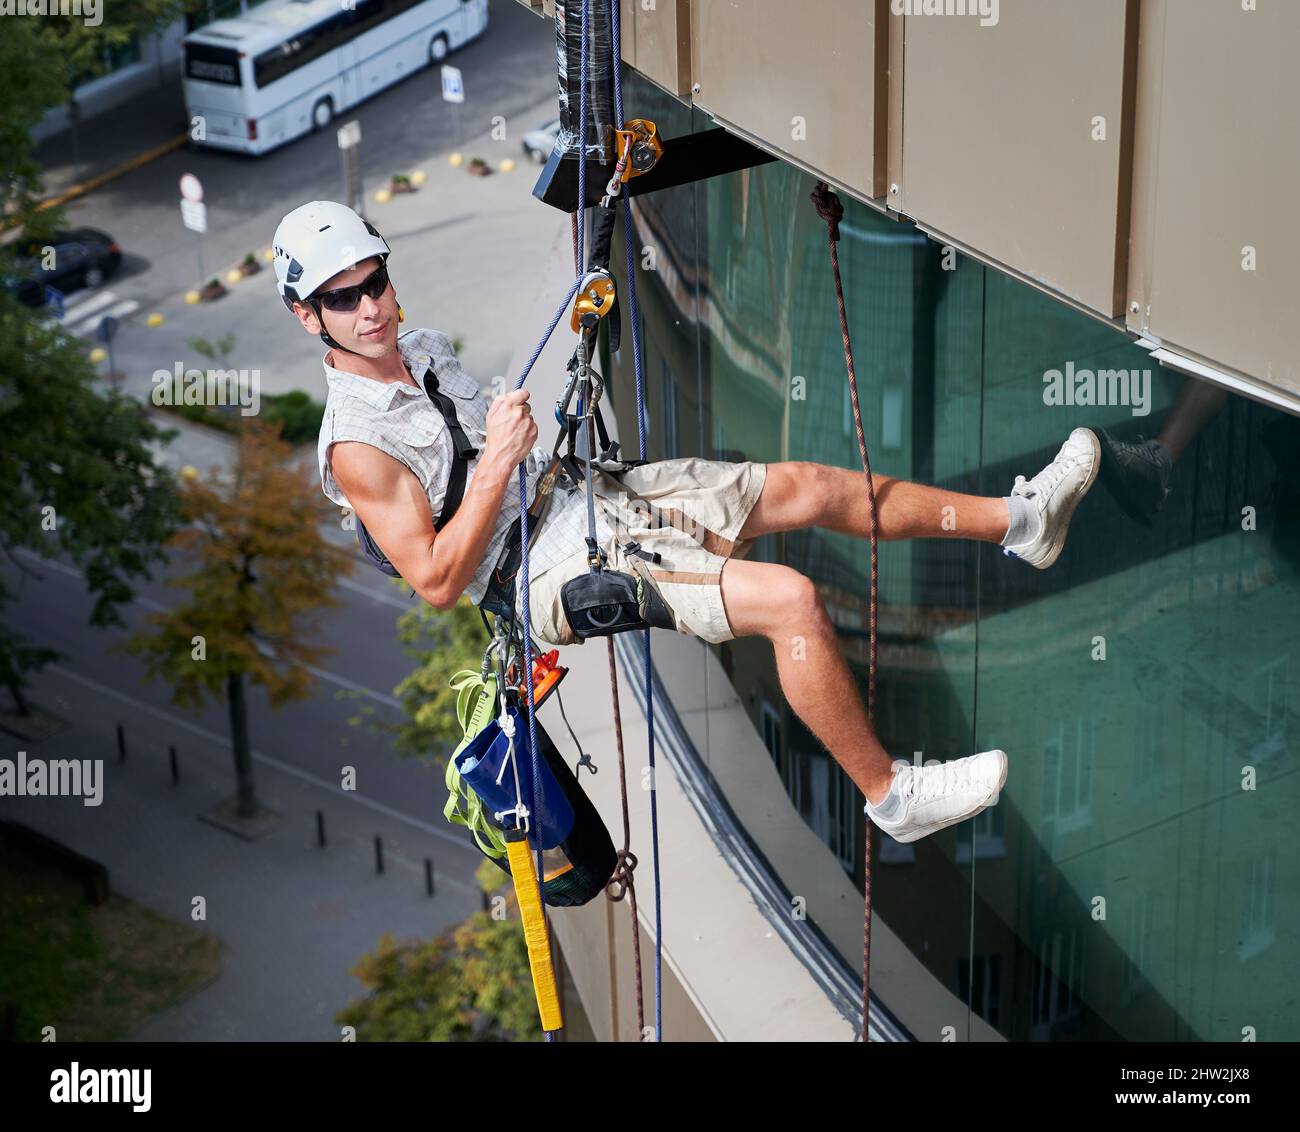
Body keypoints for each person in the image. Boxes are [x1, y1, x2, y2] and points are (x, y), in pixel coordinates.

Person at [275, 201, 1103, 846]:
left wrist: (515, 445)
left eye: (374, 280)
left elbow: (485, 453)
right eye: (342, 299)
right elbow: (435, 581)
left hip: (578, 495)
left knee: (808, 486)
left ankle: (1022, 520)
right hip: (539, 570)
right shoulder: (356, 444)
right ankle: (892, 798)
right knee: (791, 600)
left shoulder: (418, 348)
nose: (370, 307)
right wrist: (497, 460)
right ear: (308, 318)